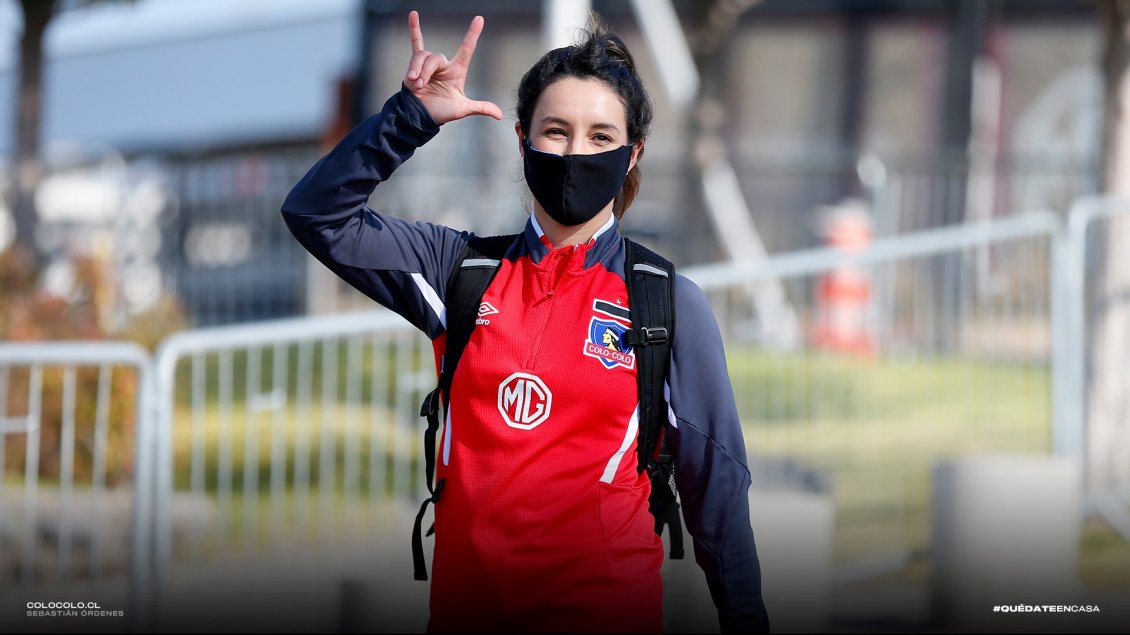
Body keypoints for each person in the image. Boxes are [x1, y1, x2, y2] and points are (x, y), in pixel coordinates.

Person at [281, 10, 769, 634]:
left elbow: (719, 498)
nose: (574, 151)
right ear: (522, 139)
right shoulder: (458, 270)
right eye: (556, 131)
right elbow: (318, 215)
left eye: (600, 136)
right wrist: (407, 121)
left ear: (633, 153)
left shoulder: (669, 303)